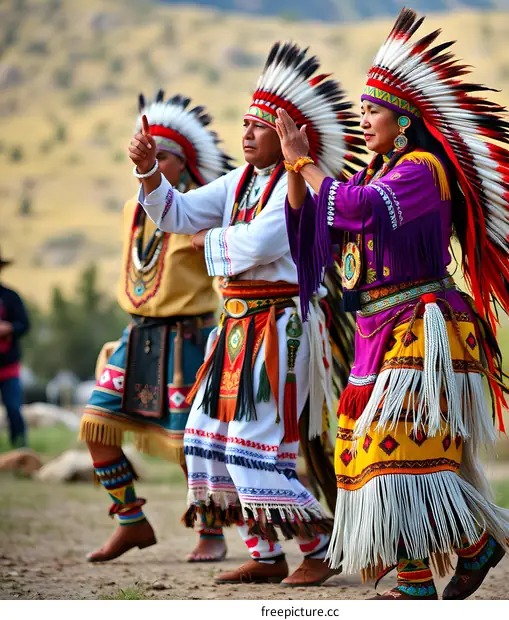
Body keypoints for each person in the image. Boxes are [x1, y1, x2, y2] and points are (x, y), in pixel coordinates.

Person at [281, 8, 509, 600]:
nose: (364, 119)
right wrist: (294, 171)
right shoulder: (382, 171)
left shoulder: (420, 171)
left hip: (419, 326)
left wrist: (306, 161)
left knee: (398, 450)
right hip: (378, 327)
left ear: (404, 118)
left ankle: (442, 566)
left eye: (373, 109)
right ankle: (448, 561)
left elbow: (361, 209)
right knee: (370, 454)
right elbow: (318, 234)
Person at [129, 42, 362, 586]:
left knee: (252, 445)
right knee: (203, 439)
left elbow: (258, 244)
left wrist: (205, 238)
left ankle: (319, 546)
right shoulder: (241, 183)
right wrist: (148, 176)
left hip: (281, 330)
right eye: (246, 124)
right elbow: (178, 212)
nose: (249, 134)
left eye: (262, 126)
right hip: (235, 330)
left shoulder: (297, 188)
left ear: (289, 138)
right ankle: (263, 550)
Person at [79, 92, 233, 563]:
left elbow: (227, 274)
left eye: (163, 156)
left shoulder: (200, 211)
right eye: (149, 154)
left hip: (188, 338)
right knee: (95, 427)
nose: (152, 161)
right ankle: (131, 521)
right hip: (137, 337)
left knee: (193, 444)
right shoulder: (133, 209)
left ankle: (211, 532)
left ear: (184, 165)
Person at [0, 250, 30, 449]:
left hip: (8, 365)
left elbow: (25, 325)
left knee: (13, 408)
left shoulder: (11, 297)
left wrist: (9, 328)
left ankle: (19, 446)